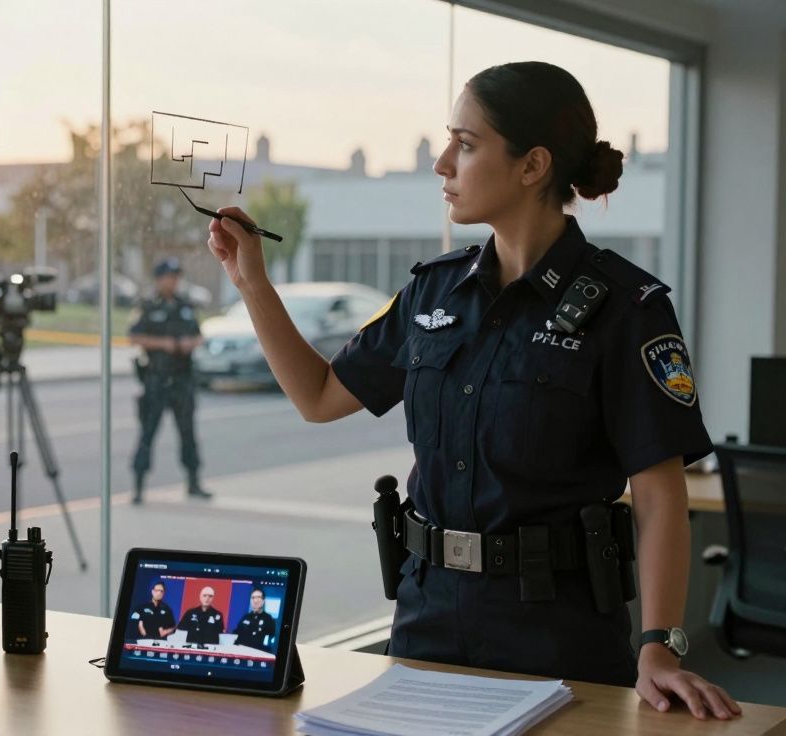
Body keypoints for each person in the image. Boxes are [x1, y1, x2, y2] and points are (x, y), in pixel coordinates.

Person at [205, 61, 742, 721]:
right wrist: (251, 281)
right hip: (427, 617)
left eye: (465, 143)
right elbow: (319, 396)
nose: (441, 163)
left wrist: (661, 647)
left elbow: (661, 496)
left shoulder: (628, 308)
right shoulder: (433, 290)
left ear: (531, 165)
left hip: (558, 632)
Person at [128, 257, 211, 504]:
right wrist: (163, 344)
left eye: (176, 277)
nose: (173, 282)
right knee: (148, 433)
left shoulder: (185, 305)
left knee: (188, 432)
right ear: (159, 279)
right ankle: (139, 486)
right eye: (169, 277)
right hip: (156, 378)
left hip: (182, 378)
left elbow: (198, 335)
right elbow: (135, 337)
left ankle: (194, 481)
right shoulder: (148, 306)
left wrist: (189, 344)